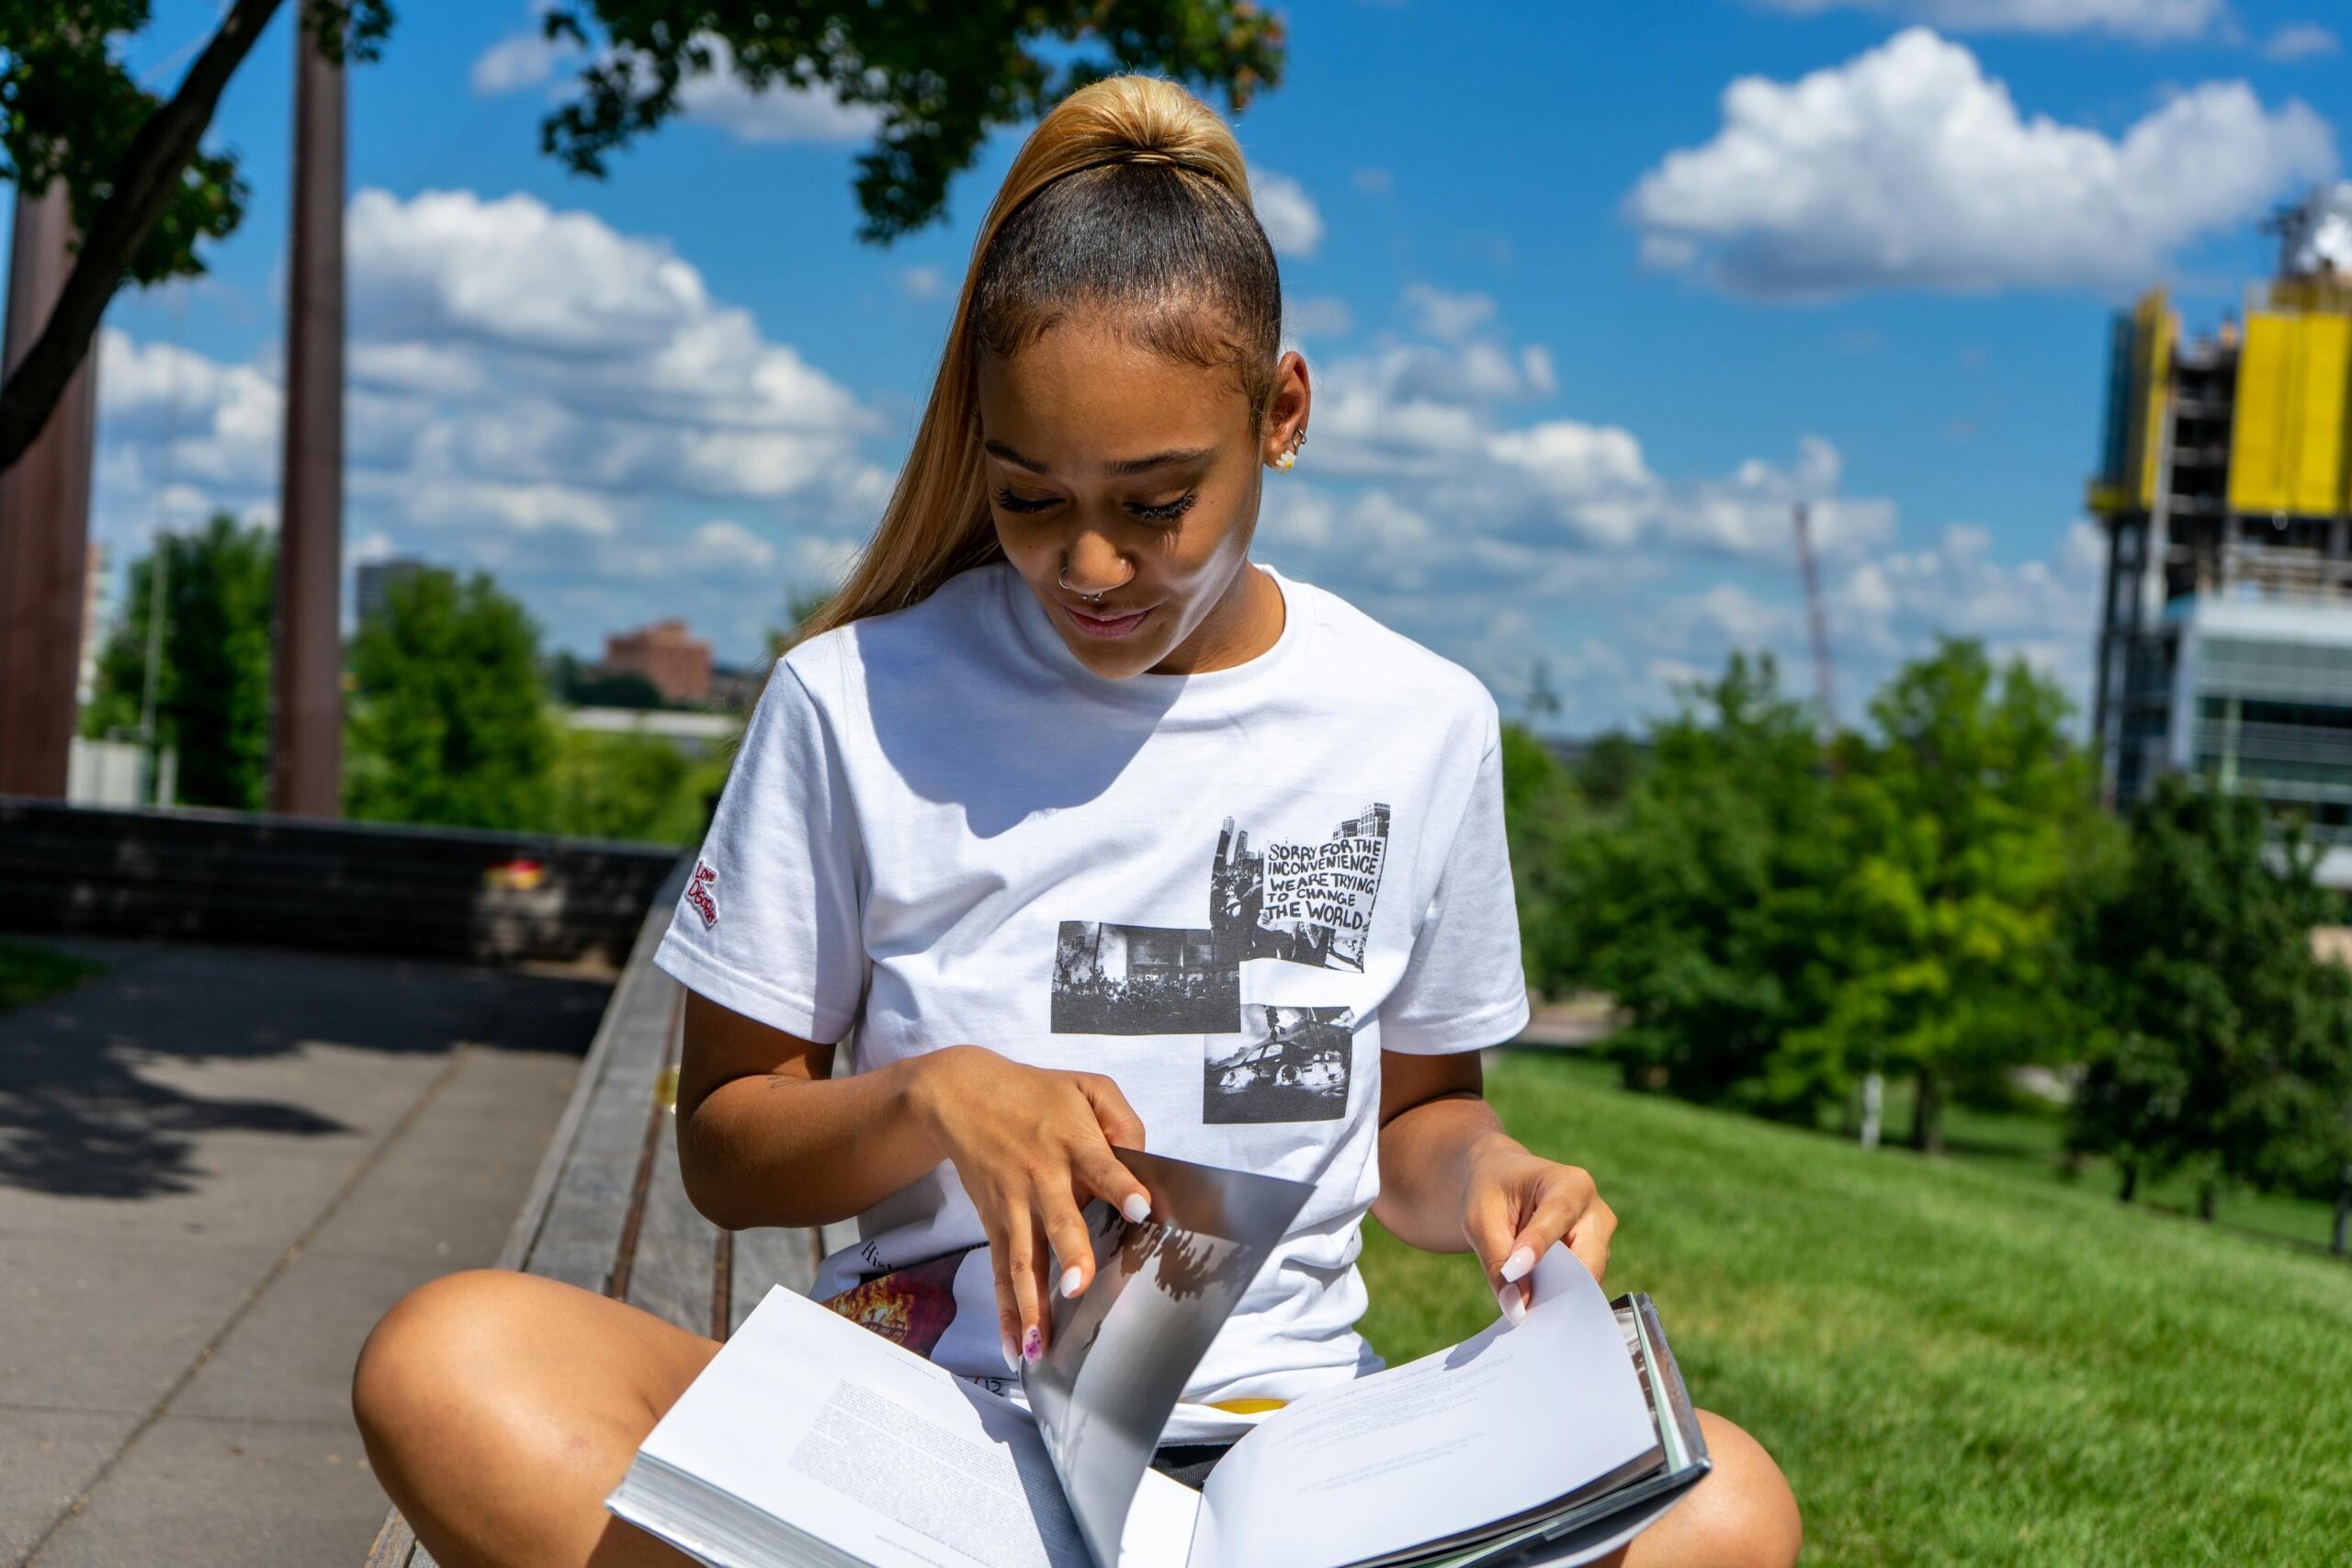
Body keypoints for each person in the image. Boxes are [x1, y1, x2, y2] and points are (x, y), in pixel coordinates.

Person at [351, 73, 1803, 1568]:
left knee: (1729, 1501)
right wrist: (932, 1099)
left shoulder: (1418, 724)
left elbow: (1421, 1117)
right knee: (450, 1360)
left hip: (1296, 1456)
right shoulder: (853, 700)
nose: (1090, 565)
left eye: (1156, 503)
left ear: (1282, 415)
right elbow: (727, 1148)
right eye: (1031, 499)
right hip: (929, 1440)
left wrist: (1498, 1182)